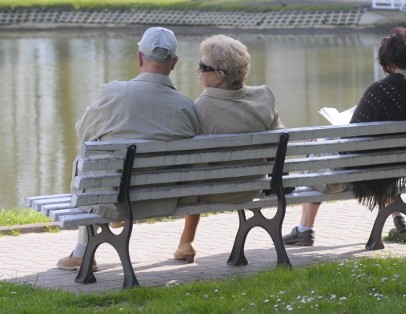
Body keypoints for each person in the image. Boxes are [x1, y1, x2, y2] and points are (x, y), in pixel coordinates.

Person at [56, 27, 201, 272]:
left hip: (113, 199)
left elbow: (84, 132)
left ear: (139, 58)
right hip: (165, 199)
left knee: (86, 160)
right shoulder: (186, 107)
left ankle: (82, 252)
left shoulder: (112, 93)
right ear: (174, 63)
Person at [283, 27, 406, 246]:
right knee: (380, 155)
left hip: (369, 170)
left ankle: (305, 229)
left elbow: (353, 137)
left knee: (318, 152)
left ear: (390, 62)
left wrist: (337, 140)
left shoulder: (381, 91)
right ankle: (398, 213)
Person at [174, 34, 284, 263]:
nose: (197, 69)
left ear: (219, 76)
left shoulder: (201, 107)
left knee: (193, 172)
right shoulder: (264, 96)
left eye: (203, 66)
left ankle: (187, 241)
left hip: (217, 191)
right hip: (254, 186)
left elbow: (195, 164)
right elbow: (279, 143)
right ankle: (186, 241)